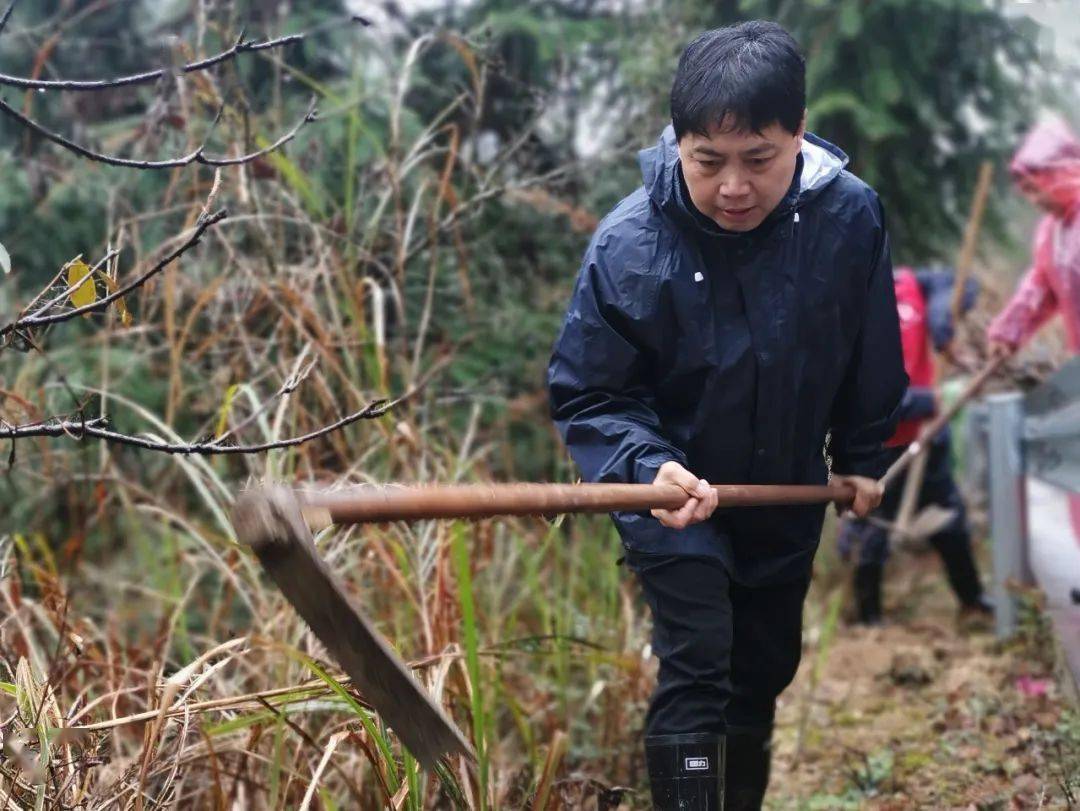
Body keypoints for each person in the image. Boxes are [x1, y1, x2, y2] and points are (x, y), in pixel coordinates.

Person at [547, 21, 906, 810]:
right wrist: (647, 468)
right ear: (679, 143)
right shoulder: (628, 244)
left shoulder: (850, 221)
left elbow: (868, 345)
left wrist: (860, 452)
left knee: (764, 664)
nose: (733, 187)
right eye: (708, 162)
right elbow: (590, 393)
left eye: (759, 160)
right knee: (699, 659)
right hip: (670, 495)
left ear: (799, 135)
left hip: (783, 484)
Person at [838, 267, 993, 625]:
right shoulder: (838, 307)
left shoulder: (908, 283)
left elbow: (960, 282)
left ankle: (973, 602)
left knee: (950, 523)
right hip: (873, 450)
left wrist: (941, 322)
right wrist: (932, 400)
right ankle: (867, 622)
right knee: (872, 533)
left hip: (925, 438)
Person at [988, 116, 1080, 358]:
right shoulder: (1053, 233)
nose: (1034, 200)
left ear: (1060, 175)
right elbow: (1042, 286)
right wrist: (1009, 331)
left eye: (1035, 188)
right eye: (1026, 192)